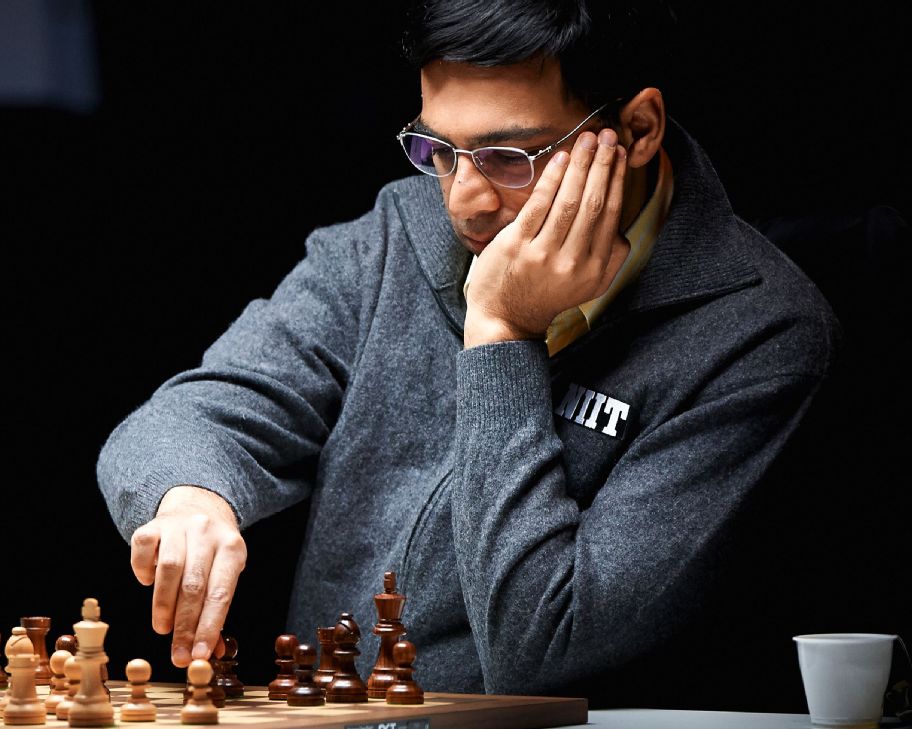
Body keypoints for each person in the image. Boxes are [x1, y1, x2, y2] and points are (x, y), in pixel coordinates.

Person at [96, 0, 838, 703]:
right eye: (439, 150)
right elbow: (189, 416)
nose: (462, 200)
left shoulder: (761, 333)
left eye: (510, 156)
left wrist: (502, 334)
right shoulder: (397, 230)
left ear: (639, 130)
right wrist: (189, 494)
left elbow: (542, 648)